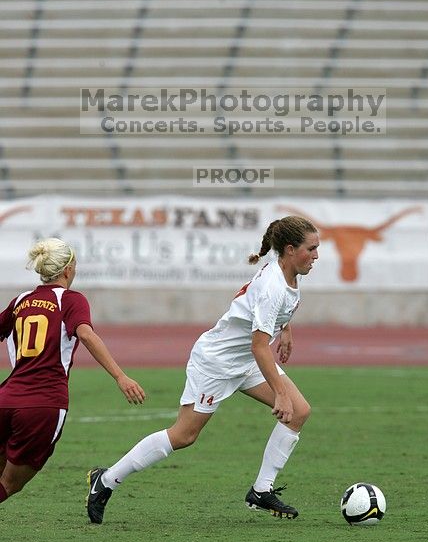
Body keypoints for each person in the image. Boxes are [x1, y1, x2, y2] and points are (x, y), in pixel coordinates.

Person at [87, 216, 319, 524]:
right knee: (183, 436)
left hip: (245, 362)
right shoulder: (274, 285)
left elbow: (266, 316)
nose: (316, 255)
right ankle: (105, 481)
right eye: (311, 249)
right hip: (217, 363)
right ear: (290, 250)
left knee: (300, 411)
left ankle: (261, 490)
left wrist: (285, 328)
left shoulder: (287, 274)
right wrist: (280, 393)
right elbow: (260, 346)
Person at [0, 237, 145, 504]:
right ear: (67, 270)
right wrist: (120, 376)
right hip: (42, 405)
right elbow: (87, 335)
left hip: (5, 399)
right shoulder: (70, 300)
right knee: (8, 485)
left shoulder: (20, 301)